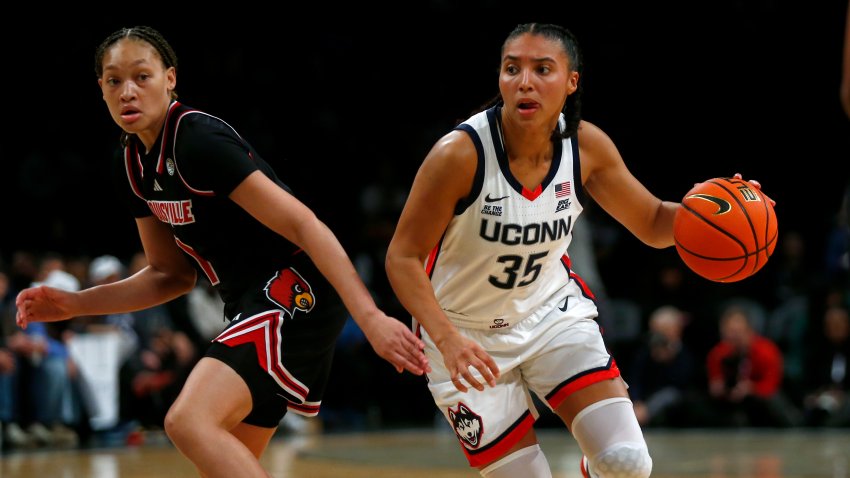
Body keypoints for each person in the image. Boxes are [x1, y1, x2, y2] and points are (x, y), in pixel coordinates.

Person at [15, 25, 429, 477]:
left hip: (294, 289)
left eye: (142, 77)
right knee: (225, 463)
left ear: (170, 78)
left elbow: (305, 224)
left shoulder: (196, 138)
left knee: (187, 420)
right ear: (100, 89)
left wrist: (369, 317)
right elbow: (169, 274)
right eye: (114, 81)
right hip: (247, 303)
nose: (127, 91)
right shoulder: (130, 164)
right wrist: (76, 304)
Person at [385, 22, 771, 478]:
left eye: (542, 69)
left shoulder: (585, 147)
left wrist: (720, 208)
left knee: (625, 461)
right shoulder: (459, 155)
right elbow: (402, 258)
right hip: (464, 336)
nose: (524, 81)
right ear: (500, 79)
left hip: (550, 315)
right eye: (513, 69)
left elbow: (651, 222)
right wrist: (447, 341)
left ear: (571, 81)